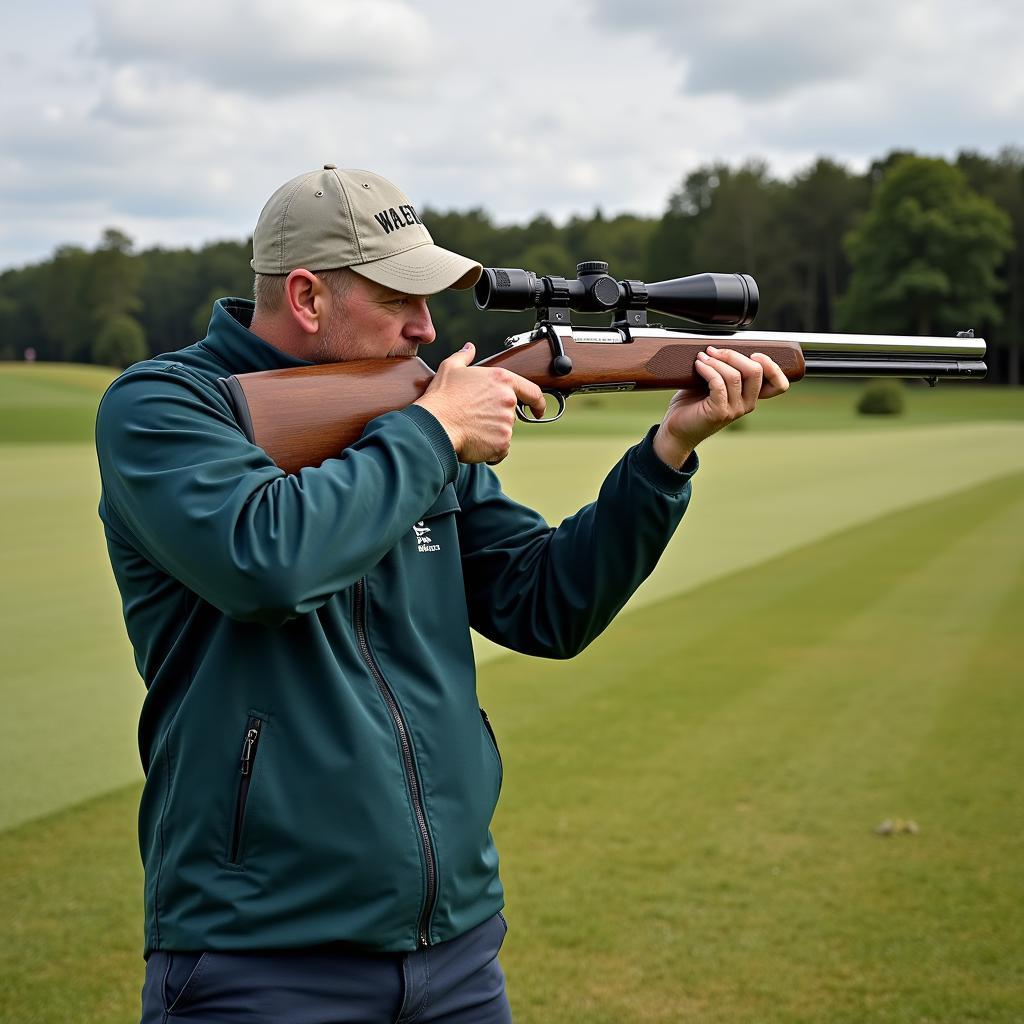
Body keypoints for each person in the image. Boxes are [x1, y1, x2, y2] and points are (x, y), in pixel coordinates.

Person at [95, 165, 790, 1023]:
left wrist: (666, 455)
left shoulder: (407, 424)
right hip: (259, 959)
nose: (426, 329)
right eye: (400, 302)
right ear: (308, 297)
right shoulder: (165, 405)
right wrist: (431, 433)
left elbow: (548, 605)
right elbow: (266, 563)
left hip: (455, 952)